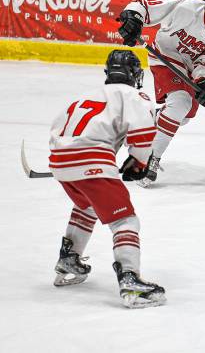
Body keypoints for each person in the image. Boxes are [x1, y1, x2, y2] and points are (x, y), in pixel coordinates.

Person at [49, 49, 165, 308]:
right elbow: (144, 131)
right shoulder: (133, 94)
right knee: (125, 220)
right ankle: (130, 280)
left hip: (59, 160)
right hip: (92, 159)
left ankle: (69, 257)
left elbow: (60, 128)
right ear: (135, 74)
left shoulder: (86, 96)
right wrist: (140, 161)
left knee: (86, 205)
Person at [115, 0, 205, 186]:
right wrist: (133, 18)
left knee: (182, 117)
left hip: (189, 71)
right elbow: (144, 5)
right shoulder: (187, 8)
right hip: (166, 58)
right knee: (180, 104)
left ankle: (139, 123)